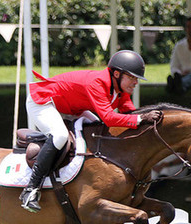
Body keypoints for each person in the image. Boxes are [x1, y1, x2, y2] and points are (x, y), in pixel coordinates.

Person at [20, 50, 160, 213]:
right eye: (132, 77)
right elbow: (110, 118)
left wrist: (146, 122)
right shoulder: (98, 83)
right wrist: (142, 119)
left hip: (71, 107)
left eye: (136, 78)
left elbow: (129, 114)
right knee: (60, 136)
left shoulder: (120, 90)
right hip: (44, 101)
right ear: (116, 74)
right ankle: (31, 190)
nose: (135, 82)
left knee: (97, 127)